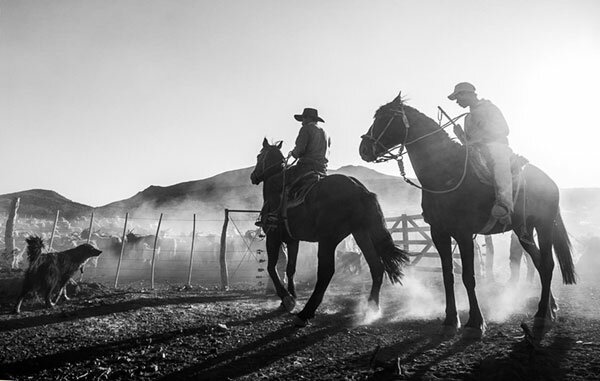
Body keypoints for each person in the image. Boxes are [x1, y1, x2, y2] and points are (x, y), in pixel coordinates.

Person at [448, 82, 513, 225]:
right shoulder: (467, 117)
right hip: (475, 149)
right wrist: (460, 136)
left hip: (495, 145)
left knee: (499, 162)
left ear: (467, 94)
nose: (457, 102)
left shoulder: (489, 108)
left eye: (458, 98)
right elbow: (469, 141)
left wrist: (483, 124)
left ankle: (505, 205)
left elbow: (504, 129)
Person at [256, 107, 330, 228]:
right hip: (322, 170)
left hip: (305, 168)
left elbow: (300, 150)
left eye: (304, 118)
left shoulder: (306, 129)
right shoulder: (325, 133)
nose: (302, 122)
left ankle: (273, 215)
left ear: (309, 118)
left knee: (273, 182)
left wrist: (293, 153)